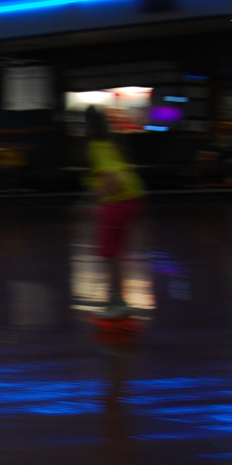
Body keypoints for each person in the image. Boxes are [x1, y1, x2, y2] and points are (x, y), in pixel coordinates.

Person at [85, 105, 145, 318]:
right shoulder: (110, 142)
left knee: (110, 253)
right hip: (133, 196)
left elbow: (111, 177)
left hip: (118, 199)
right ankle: (118, 299)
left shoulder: (95, 146)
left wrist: (98, 202)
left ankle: (117, 301)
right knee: (114, 253)